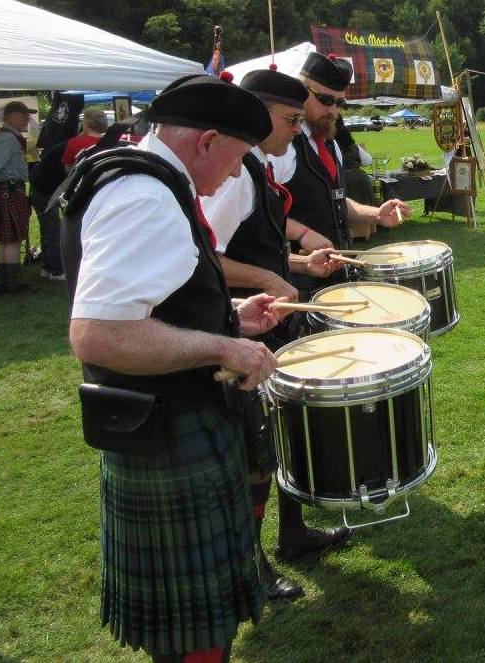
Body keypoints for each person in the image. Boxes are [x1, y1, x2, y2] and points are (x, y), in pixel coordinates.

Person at [63, 75, 284, 663]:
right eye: (238, 158)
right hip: (169, 430)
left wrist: (229, 317)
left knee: (197, 628)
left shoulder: (147, 177)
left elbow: (154, 302)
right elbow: (100, 334)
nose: (239, 175)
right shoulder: (145, 195)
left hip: (165, 423)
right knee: (193, 637)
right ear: (208, 141)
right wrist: (222, 350)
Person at [202, 69, 349, 601]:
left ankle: (290, 535)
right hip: (248, 322)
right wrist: (266, 277)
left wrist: (298, 261)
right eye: (289, 119)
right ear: (260, 112)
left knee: (279, 436)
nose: (294, 129)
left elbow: (262, 246)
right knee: (255, 454)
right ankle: (250, 565)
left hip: (269, 314)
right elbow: (204, 257)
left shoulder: (255, 165)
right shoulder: (234, 173)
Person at [270, 52, 411, 298]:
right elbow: (262, 216)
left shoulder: (330, 144)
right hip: (296, 281)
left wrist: (376, 214)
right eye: (325, 100)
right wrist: (303, 234)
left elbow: (334, 200)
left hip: (335, 275)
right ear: (302, 92)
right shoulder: (282, 147)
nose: (333, 111)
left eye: (340, 103)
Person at [0, 100, 37, 294]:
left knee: (7, 240)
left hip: (6, 191)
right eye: (24, 114)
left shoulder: (9, 137)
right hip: (7, 192)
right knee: (12, 239)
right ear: (12, 116)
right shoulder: (8, 138)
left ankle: (6, 284)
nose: (28, 118)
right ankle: (11, 285)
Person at [29, 139, 68, 280]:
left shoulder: (67, 144)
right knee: (52, 228)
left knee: (48, 228)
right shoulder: (75, 145)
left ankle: (47, 267)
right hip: (44, 189)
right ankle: (56, 271)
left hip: (42, 186)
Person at [335, 114, 376, 206]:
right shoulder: (353, 147)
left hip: (341, 180)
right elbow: (368, 161)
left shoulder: (326, 146)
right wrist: (363, 151)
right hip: (359, 178)